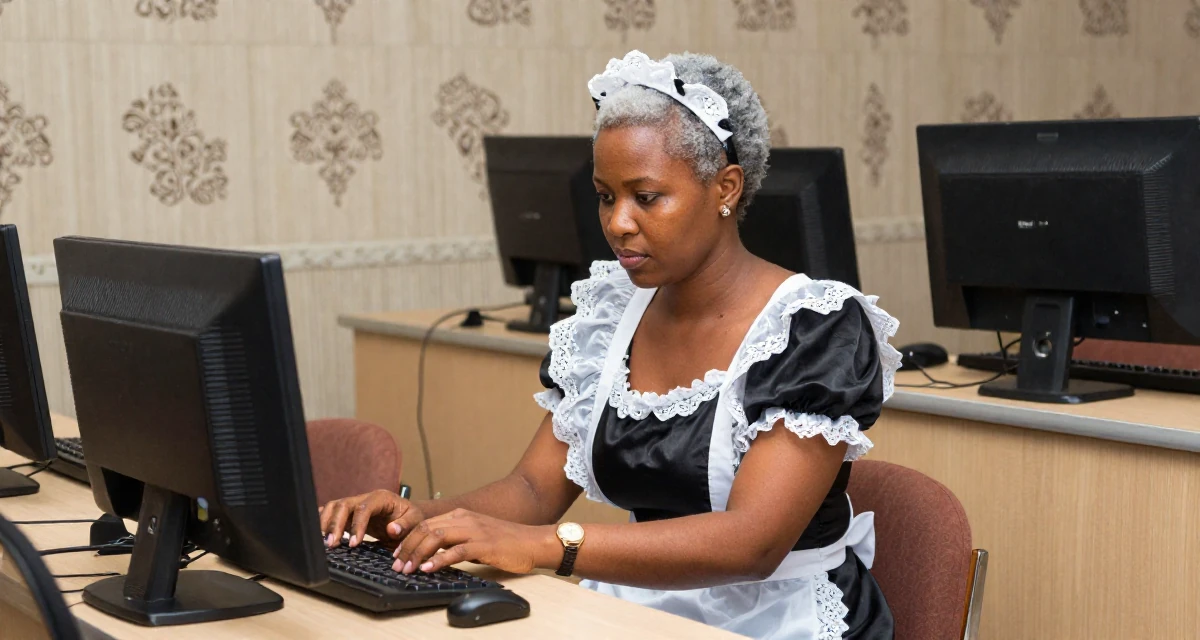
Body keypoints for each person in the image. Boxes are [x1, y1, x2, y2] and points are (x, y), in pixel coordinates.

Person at [320, 50, 900, 639]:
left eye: (646, 197)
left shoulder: (813, 327)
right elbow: (533, 489)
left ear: (725, 187)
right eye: (605, 195)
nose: (618, 222)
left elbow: (752, 542)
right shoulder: (613, 315)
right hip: (636, 609)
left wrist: (543, 546)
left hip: (779, 620)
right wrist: (420, 518)